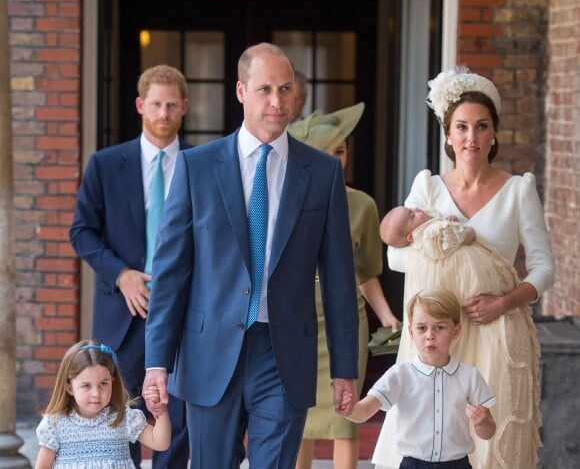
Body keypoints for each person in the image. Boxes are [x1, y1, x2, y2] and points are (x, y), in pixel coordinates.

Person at [142, 42, 360, 468]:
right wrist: (157, 363)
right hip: (210, 352)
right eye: (264, 90)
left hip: (284, 356)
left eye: (285, 89)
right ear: (241, 91)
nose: (277, 102)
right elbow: (170, 274)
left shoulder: (322, 173)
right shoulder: (196, 167)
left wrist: (344, 366)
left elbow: (338, 278)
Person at [373, 66, 556, 469]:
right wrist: (443, 258)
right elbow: (394, 255)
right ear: (449, 135)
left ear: (494, 133)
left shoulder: (518, 191)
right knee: (424, 433)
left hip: (493, 329)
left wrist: (504, 302)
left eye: (481, 126)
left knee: (485, 434)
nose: (471, 137)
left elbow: (544, 269)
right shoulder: (429, 188)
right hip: (436, 331)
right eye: (461, 127)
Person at [69, 65, 191, 468]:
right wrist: (121, 275)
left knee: (175, 419)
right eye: (155, 103)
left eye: (172, 104)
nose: (163, 112)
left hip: (184, 313)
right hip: (122, 315)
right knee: (116, 418)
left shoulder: (202, 165)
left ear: (185, 108)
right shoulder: (105, 164)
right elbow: (82, 231)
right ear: (140, 105)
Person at [289, 104, 400, 469]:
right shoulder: (289, 203)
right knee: (301, 419)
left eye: (342, 150)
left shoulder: (364, 206)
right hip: (300, 323)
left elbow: (367, 273)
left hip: (346, 323)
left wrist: (387, 317)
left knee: (345, 418)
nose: (337, 160)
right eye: (327, 152)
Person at [342, 289, 496, 469]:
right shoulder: (399, 375)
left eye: (440, 327)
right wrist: (349, 407)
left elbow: (488, 432)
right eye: (422, 328)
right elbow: (364, 411)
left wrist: (482, 422)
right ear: (411, 332)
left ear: (456, 331)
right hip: (413, 464)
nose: (430, 335)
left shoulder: (470, 376)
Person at [35, 340, 171, 469]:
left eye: (103, 384)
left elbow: (160, 443)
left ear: (112, 381)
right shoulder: (55, 424)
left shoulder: (122, 417)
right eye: (86, 386)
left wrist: (160, 409)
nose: (96, 393)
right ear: (70, 388)